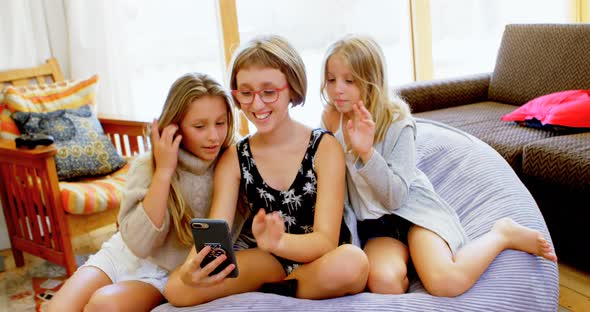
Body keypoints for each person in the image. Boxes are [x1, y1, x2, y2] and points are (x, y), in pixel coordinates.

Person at [320, 35, 557, 297]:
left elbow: (396, 197)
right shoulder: (331, 119)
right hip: (377, 226)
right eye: (331, 79)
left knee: (446, 283)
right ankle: (409, 264)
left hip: (413, 214)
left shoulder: (397, 122)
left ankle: (502, 234)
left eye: (349, 80)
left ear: (371, 80)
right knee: (385, 283)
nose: (337, 89)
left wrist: (367, 153)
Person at [164, 35, 369, 307]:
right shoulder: (235, 157)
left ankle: (281, 289)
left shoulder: (324, 147)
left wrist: (278, 241)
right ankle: (291, 287)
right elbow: (216, 233)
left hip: (320, 257)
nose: (257, 105)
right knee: (177, 289)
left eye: (269, 92)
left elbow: (325, 241)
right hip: (267, 262)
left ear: (292, 89)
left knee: (354, 263)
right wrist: (193, 269)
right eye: (246, 93)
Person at [48, 72, 237, 312]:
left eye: (221, 123)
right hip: (123, 254)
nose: (214, 136)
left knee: (103, 306)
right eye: (200, 126)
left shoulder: (232, 165)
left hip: (167, 273)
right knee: (57, 309)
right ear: (175, 126)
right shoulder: (148, 165)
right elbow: (137, 244)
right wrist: (164, 171)